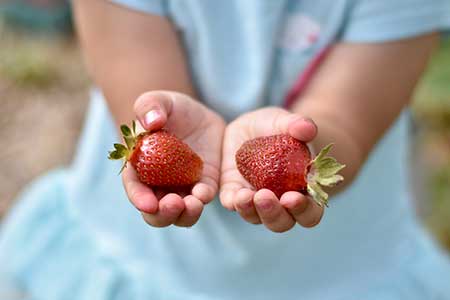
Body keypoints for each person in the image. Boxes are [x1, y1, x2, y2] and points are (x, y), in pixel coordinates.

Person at [1, 0, 450, 299]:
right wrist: (164, 128)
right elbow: (136, 76)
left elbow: (349, 116)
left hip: (336, 266)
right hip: (150, 257)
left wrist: (305, 149)